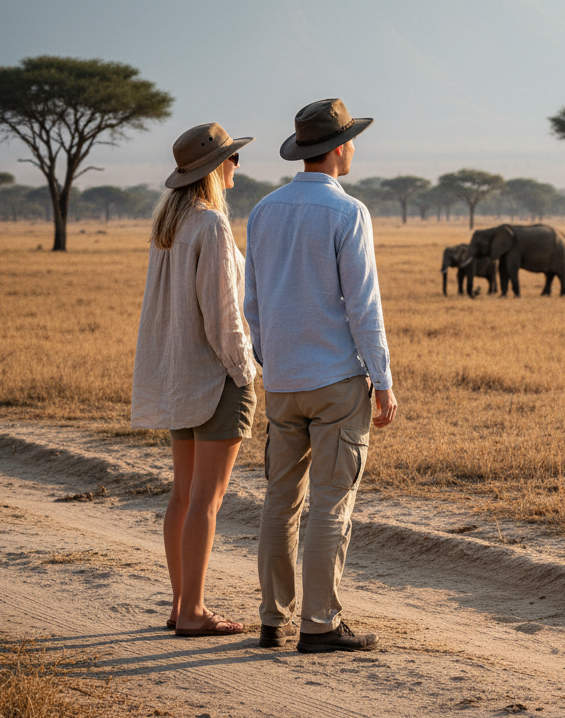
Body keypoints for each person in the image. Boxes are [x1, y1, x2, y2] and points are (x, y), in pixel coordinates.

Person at [244, 98, 397, 653]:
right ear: (337, 150)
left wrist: (272, 361)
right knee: (331, 504)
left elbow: (253, 305)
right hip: (336, 381)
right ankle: (321, 625)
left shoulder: (262, 211)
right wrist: (381, 379)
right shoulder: (349, 212)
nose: (353, 147)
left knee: (280, 500)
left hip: (282, 384)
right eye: (351, 139)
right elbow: (363, 306)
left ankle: (271, 620)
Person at [131, 123, 257, 637]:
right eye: (230, 158)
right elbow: (224, 316)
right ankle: (193, 613)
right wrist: (246, 371)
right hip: (215, 379)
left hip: (178, 379)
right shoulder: (211, 226)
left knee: (182, 495)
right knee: (207, 498)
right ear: (213, 169)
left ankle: (181, 603)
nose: (236, 166)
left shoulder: (171, 226)